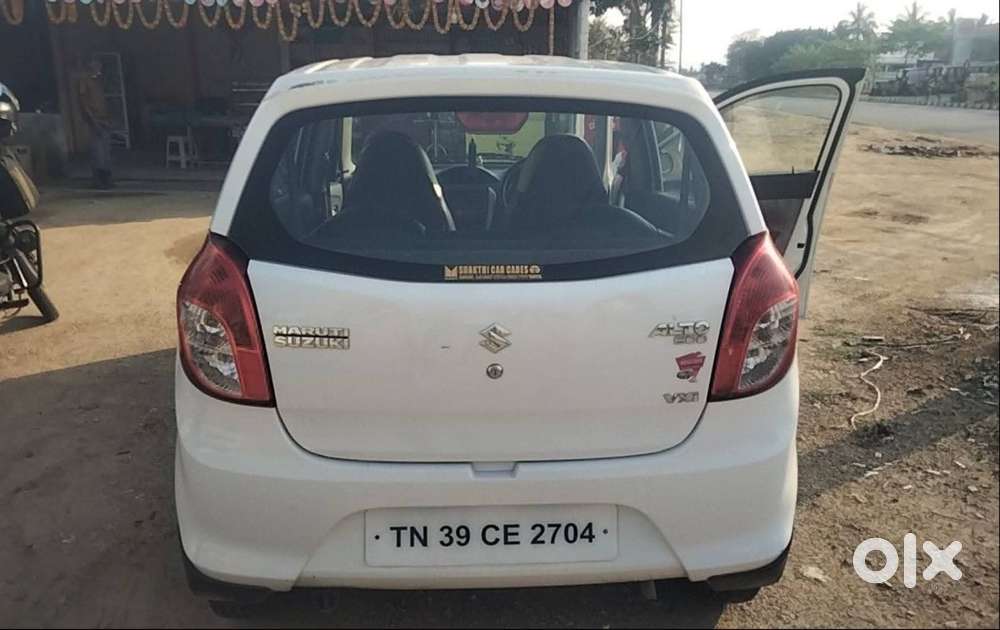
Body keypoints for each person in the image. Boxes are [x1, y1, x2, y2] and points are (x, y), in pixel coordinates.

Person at [78, 59, 113, 189]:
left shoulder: (98, 81)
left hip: (104, 118)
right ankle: (98, 180)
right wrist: (93, 120)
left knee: (106, 151)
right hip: (94, 120)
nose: (99, 69)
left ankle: (107, 178)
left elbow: (103, 100)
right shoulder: (85, 81)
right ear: (91, 66)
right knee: (97, 152)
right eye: (97, 66)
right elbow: (84, 103)